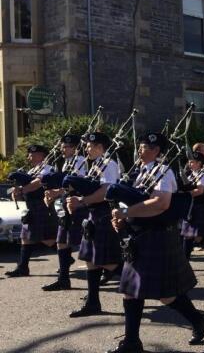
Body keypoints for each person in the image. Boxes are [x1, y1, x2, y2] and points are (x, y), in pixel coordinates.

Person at [108, 132, 204, 352]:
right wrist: (121, 219)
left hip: (158, 236)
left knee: (166, 294)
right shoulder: (138, 173)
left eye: (145, 147)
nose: (140, 150)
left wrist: (126, 212)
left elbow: (161, 203)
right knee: (131, 290)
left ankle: (198, 320)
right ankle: (132, 342)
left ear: (157, 152)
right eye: (140, 145)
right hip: (139, 236)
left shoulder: (163, 171)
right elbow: (132, 202)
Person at [66, 132, 122, 317]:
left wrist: (82, 201)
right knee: (91, 259)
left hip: (105, 214)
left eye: (90, 146)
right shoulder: (95, 165)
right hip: (94, 215)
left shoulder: (109, 164)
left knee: (109, 262)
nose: (87, 149)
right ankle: (93, 302)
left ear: (99, 147)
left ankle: (141, 282)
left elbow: (107, 190)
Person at [41, 134, 88, 290]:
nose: (62, 149)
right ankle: (63, 280)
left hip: (78, 207)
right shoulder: (66, 163)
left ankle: (114, 269)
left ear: (75, 148)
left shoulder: (81, 162)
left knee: (87, 242)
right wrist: (54, 195)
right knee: (61, 241)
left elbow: (77, 184)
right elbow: (64, 186)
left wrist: (57, 192)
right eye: (62, 146)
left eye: (66, 146)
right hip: (65, 206)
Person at [6, 145, 58, 277]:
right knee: (25, 237)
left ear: (42, 156)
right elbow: (25, 186)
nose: (30, 157)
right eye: (29, 154)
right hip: (31, 207)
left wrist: (23, 190)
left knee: (46, 239)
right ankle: (23, 267)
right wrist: (16, 192)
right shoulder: (31, 170)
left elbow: (38, 183)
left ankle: (65, 257)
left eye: (34, 154)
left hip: (42, 205)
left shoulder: (47, 168)